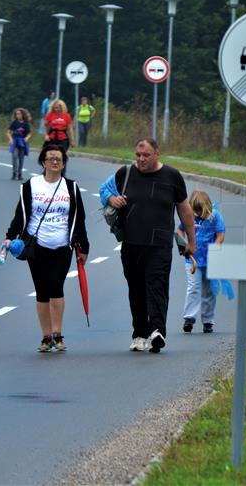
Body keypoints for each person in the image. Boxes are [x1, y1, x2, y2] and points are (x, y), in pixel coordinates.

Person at [102, 138, 196, 354]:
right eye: (138, 155)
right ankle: (139, 333)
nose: (141, 159)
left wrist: (192, 241)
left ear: (157, 154)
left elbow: (184, 209)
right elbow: (105, 192)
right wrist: (111, 199)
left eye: (146, 155)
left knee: (157, 286)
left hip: (159, 244)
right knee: (136, 290)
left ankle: (157, 331)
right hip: (131, 243)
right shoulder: (125, 173)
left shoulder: (172, 176)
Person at [4, 144, 89, 352]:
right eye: (50, 158)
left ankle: (58, 335)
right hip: (36, 245)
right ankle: (46, 336)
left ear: (63, 163)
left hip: (62, 245)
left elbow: (80, 219)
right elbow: (20, 215)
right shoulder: (30, 186)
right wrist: (9, 237)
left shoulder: (71, 187)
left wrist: (84, 246)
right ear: (43, 162)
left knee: (56, 286)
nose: (54, 162)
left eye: (58, 159)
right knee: (41, 290)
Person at [176, 191, 226, 334]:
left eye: (200, 210)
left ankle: (208, 321)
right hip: (192, 260)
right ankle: (189, 318)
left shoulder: (215, 216)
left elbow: (220, 234)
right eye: (195, 210)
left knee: (209, 290)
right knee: (194, 287)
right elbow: (179, 231)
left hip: (211, 260)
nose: (198, 213)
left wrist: (215, 248)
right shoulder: (189, 216)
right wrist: (184, 244)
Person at [7, 108, 33, 180]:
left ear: (23, 115)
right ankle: (14, 173)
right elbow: (8, 132)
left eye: (19, 114)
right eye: (17, 114)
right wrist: (10, 139)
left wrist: (27, 138)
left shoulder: (26, 124)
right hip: (15, 142)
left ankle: (19, 173)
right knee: (15, 156)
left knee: (21, 158)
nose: (18, 115)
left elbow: (29, 133)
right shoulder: (14, 122)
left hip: (22, 143)